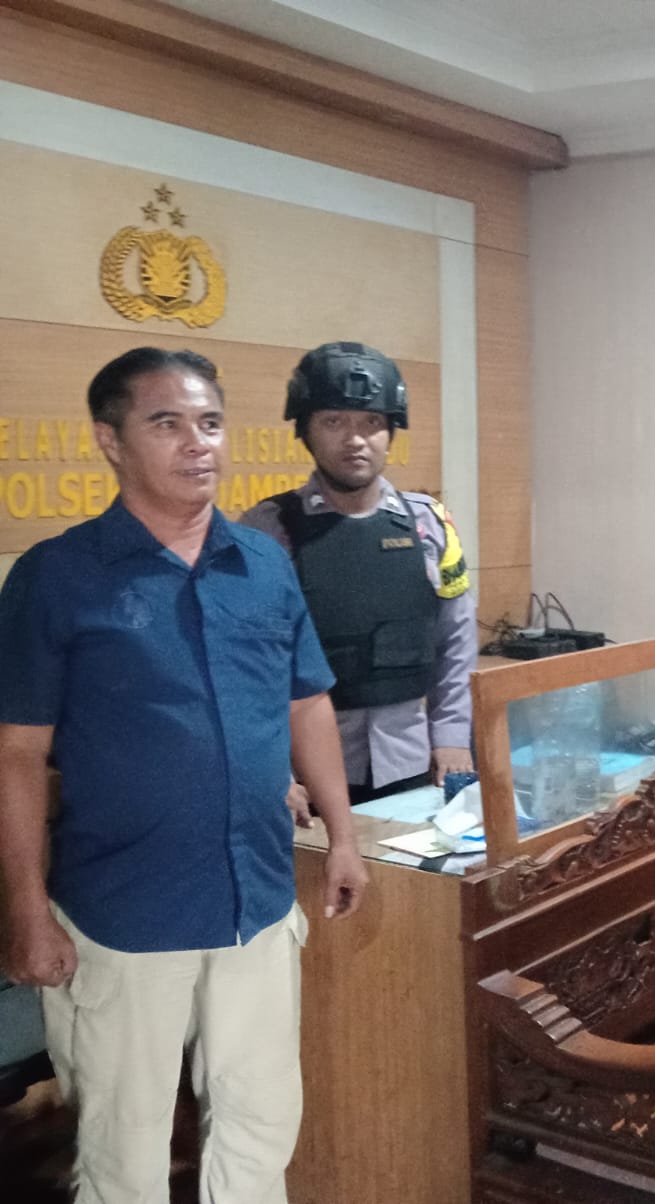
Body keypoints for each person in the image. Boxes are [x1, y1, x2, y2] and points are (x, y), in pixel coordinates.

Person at [0, 347, 368, 1204]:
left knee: (260, 1123)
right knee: (123, 1149)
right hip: (125, 910)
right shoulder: (57, 577)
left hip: (257, 901)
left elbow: (306, 704)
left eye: (209, 422)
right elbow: (16, 752)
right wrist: (25, 911)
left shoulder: (264, 565)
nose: (198, 442)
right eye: (166, 423)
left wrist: (344, 837)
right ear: (110, 441)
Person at [240, 341, 476, 806]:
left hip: (416, 762)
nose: (355, 439)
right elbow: (246, 663)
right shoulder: (266, 531)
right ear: (305, 430)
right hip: (304, 776)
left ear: (391, 431)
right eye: (334, 422)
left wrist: (451, 733)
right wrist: (271, 769)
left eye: (371, 423)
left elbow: (457, 638)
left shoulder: (430, 524)